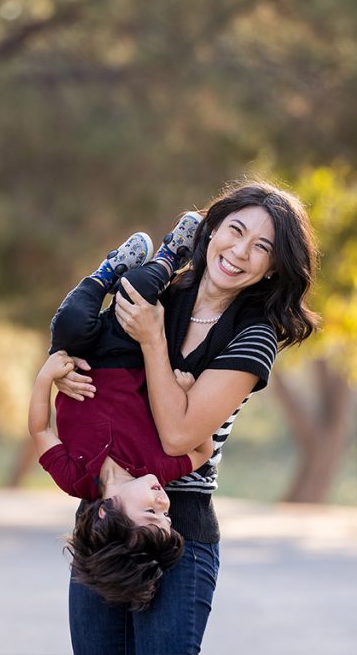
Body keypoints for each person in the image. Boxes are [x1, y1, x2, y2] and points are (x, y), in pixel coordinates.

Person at [55, 180, 319, 654]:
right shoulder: (161, 291)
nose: (240, 252)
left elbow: (179, 437)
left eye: (261, 248)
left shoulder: (254, 337)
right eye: (234, 230)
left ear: (273, 268)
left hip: (182, 528)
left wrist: (154, 341)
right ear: (211, 228)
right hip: (107, 519)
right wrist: (65, 373)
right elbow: (91, 355)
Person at [28, 213, 212, 610]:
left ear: (105, 515)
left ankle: (106, 271)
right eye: (167, 515)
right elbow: (201, 453)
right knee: (139, 291)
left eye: (151, 512)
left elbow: (41, 431)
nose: (165, 504)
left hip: (80, 361)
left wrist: (45, 377)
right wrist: (186, 394)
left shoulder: (76, 479)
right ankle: (171, 254)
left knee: (72, 321)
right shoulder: (157, 468)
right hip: (131, 358)